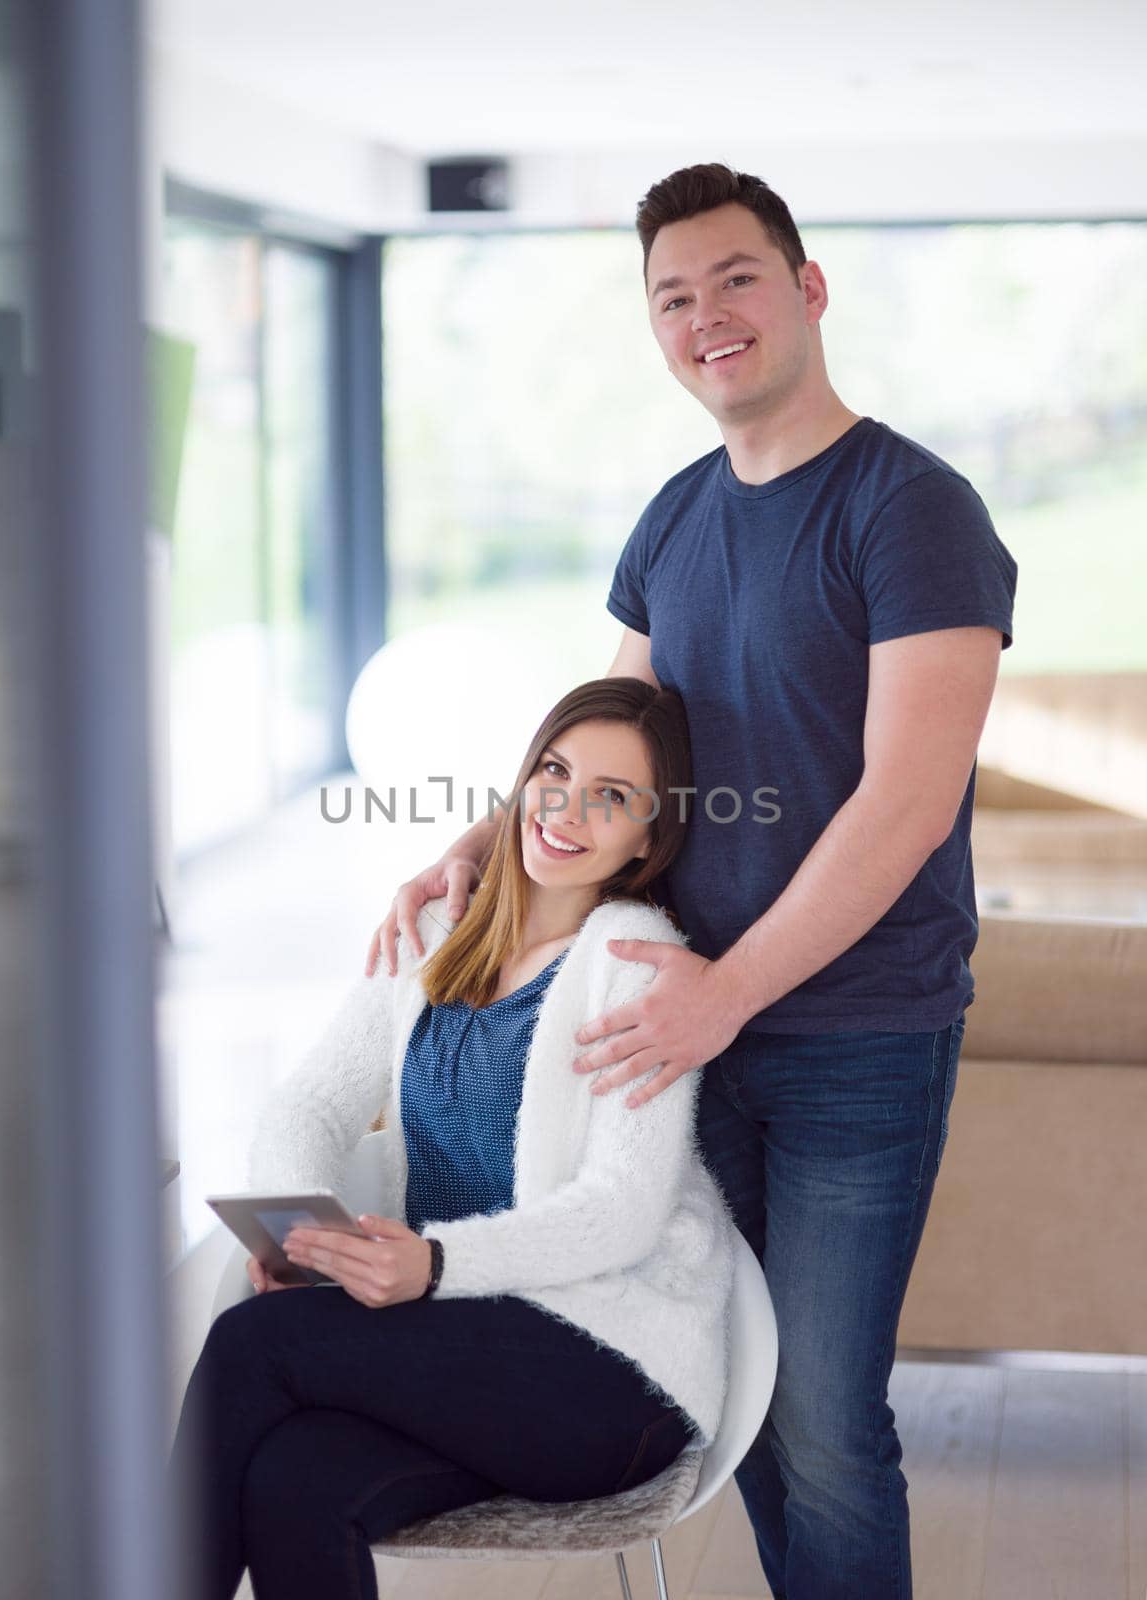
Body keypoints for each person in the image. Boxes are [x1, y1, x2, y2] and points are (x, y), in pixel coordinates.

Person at [367, 165, 1018, 1600]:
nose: (707, 316)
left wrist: (728, 994)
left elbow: (905, 806)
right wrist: (480, 844)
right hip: (680, 1034)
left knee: (828, 1421)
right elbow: (605, 745)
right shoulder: (674, 517)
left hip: (856, 1040)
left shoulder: (913, 510)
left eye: (735, 278)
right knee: (742, 1396)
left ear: (806, 289)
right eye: (674, 296)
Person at [171, 677, 735, 1600]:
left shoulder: (633, 964)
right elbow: (310, 1101)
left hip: (611, 1372)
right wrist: (302, 1240)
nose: (567, 810)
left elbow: (621, 1210)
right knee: (295, 1480)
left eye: (612, 797)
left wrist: (432, 1265)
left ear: (651, 836)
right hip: (458, 1352)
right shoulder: (438, 926)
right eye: (554, 773)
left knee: (251, 1342)